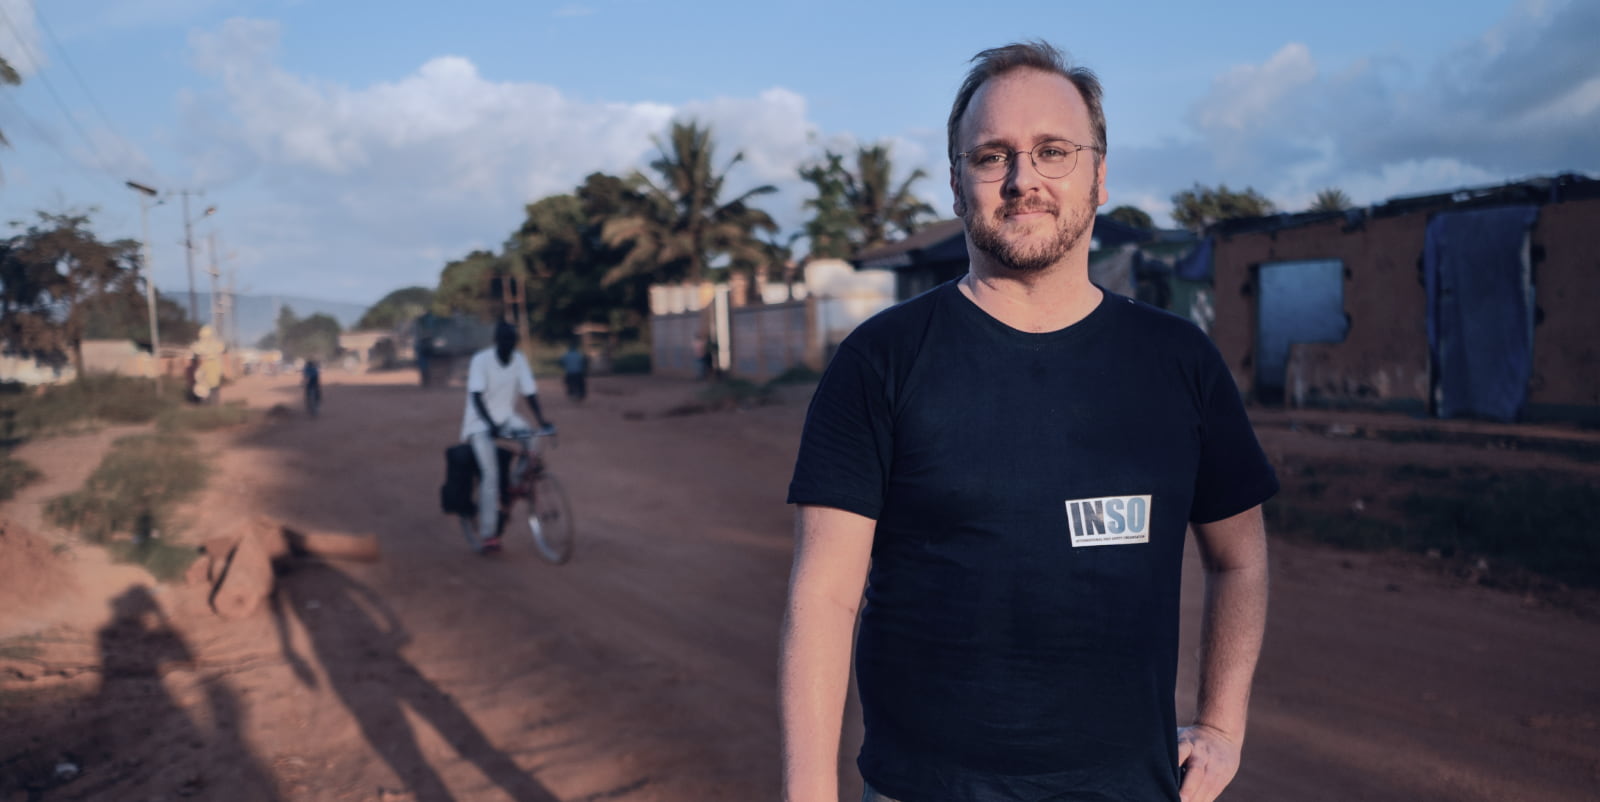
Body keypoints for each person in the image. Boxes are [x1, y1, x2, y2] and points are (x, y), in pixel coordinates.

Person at [781, 41, 1277, 802]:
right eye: (992, 157)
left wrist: (1221, 726)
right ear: (956, 184)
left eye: (1053, 151)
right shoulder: (880, 360)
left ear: (1100, 174)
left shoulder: (1179, 362)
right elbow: (823, 599)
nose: (1024, 180)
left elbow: (1239, 558)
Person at [460, 321, 553, 552]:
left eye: (513, 340)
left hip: (506, 418)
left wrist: (543, 421)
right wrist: (490, 425)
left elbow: (530, 393)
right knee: (490, 475)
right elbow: (476, 397)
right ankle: (488, 533)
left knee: (533, 438)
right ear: (497, 341)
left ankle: (514, 482)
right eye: (505, 340)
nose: (509, 344)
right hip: (479, 423)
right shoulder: (481, 360)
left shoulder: (519, 359)